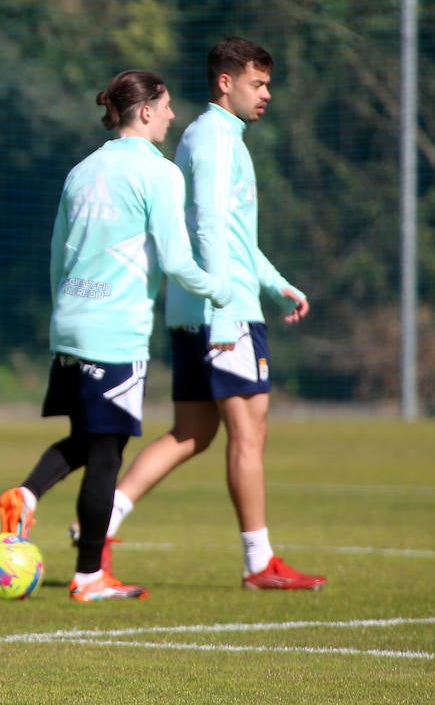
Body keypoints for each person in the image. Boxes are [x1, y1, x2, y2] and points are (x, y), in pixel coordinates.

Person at [0, 70, 233, 603]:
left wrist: (66, 313)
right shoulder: (160, 173)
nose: (173, 115)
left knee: (88, 438)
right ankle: (88, 577)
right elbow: (176, 261)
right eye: (167, 105)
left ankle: (27, 493)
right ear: (145, 110)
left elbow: (58, 254)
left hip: (72, 322)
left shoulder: (82, 169)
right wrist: (220, 289)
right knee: (107, 455)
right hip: (116, 330)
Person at [106, 37, 324, 591]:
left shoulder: (213, 137)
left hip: (198, 309)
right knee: (248, 434)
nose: (267, 94)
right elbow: (205, 225)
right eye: (258, 83)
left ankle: (100, 522)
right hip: (221, 313)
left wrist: (277, 285)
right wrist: (228, 304)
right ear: (226, 82)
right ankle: (259, 563)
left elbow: (233, 236)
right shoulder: (216, 137)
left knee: (191, 433)